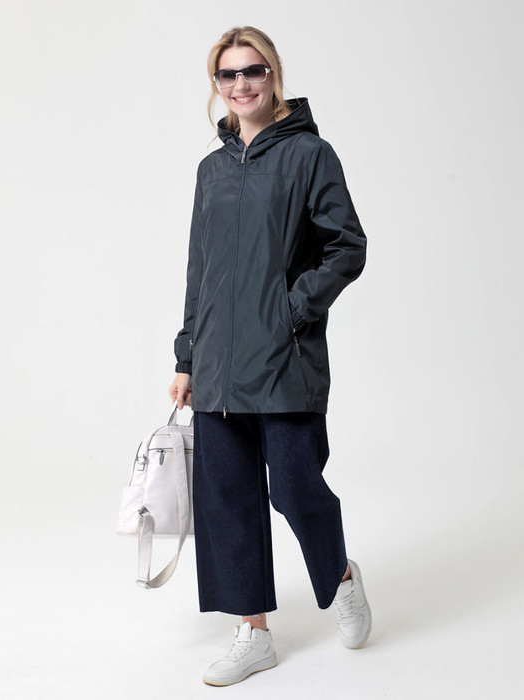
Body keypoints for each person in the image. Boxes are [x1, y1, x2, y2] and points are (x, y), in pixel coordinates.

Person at [169, 25, 370, 687]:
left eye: (252, 70)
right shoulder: (211, 170)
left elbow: (346, 246)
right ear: (217, 84)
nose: (242, 83)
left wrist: (290, 310)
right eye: (228, 74)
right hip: (217, 366)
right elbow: (199, 271)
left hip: (284, 357)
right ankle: (252, 633)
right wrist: (186, 356)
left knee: (294, 488)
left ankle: (339, 575)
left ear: (273, 73)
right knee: (226, 501)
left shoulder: (310, 154)